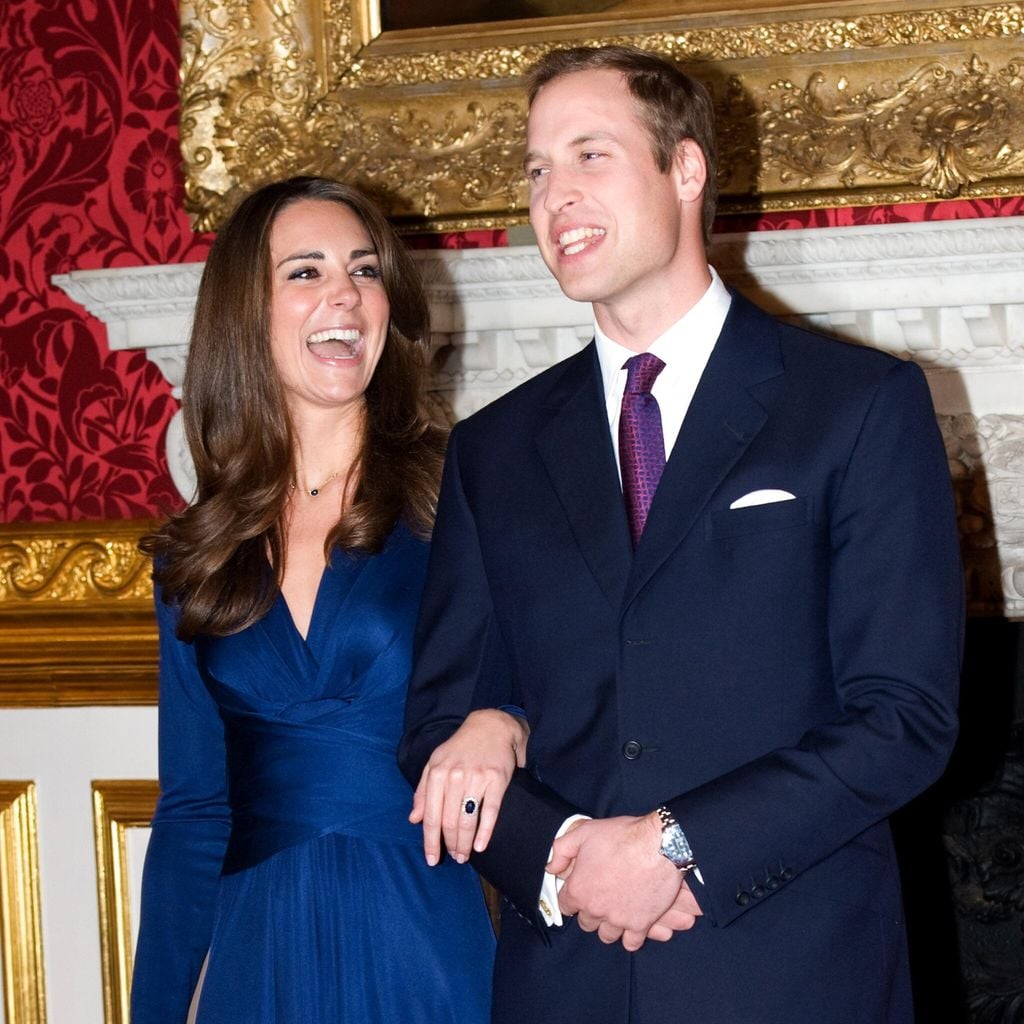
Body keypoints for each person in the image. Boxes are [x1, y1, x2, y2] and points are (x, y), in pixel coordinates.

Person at [399, 45, 964, 1024]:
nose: (554, 195)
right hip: (563, 979)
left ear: (686, 169)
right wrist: (565, 857)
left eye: (589, 156)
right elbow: (436, 729)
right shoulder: (493, 450)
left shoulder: (858, 406)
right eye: (536, 170)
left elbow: (902, 718)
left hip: (791, 977)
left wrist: (671, 846)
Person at [131, 175, 527, 1023]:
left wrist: (504, 721)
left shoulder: (468, 498)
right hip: (251, 957)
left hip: (425, 943)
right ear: (248, 312)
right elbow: (196, 808)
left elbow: (565, 688)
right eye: (305, 272)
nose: (345, 292)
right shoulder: (195, 554)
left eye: (366, 270)